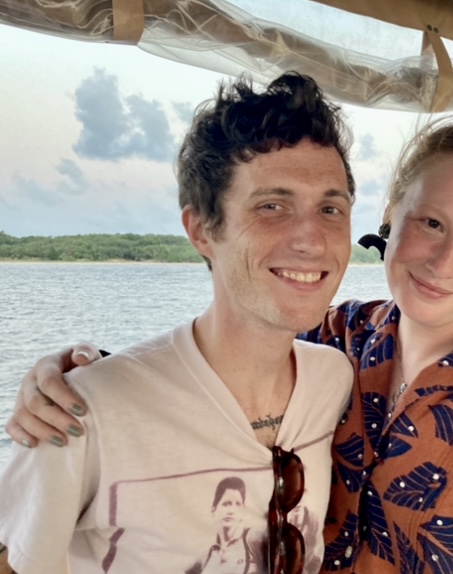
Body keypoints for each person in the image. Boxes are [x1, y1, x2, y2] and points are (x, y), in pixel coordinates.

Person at [6, 118, 453, 572]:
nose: (443, 262)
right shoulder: (339, 337)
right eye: (432, 223)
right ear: (391, 214)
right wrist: (81, 375)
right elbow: (217, 362)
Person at [0, 73, 355, 573]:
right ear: (202, 230)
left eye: (330, 208)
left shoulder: (335, 379)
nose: (312, 239)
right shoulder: (83, 413)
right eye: (272, 206)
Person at [186, 477, 262, 574]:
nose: (231, 511)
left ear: (243, 510)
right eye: (226, 504)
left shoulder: (252, 540)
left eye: (238, 504)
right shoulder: (207, 555)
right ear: (213, 509)